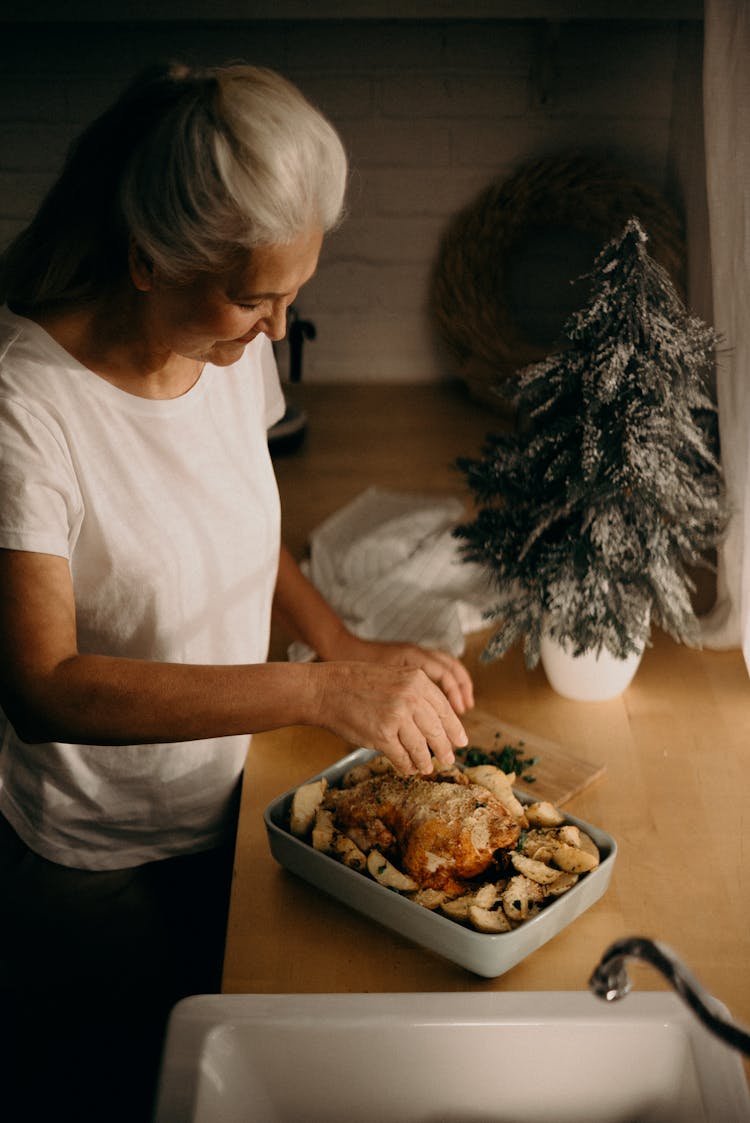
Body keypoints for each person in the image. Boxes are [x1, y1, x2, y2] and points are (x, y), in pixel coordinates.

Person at [0, 62, 473, 1121]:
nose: (274, 327)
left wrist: (342, 645)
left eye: (292, 293)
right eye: (254, 295)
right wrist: (313, 692)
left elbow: (241, 536)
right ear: (146, 259)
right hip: (98, 864)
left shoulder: (225, 346)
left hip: (246, 801)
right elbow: (43, 685)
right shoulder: (24, 406)